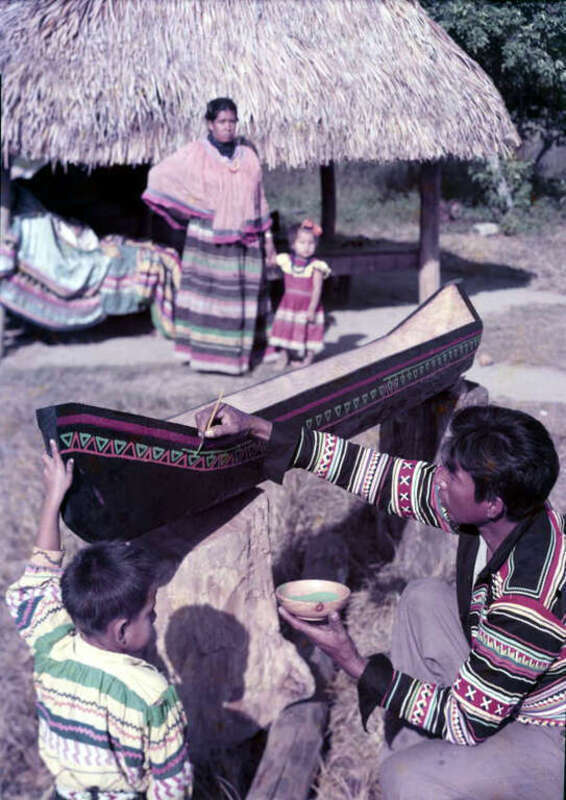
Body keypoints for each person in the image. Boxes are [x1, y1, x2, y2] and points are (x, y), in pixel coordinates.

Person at [195, 402, 566, 800]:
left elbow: (467, 720)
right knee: (423, 599)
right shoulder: (507, 514)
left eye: (452, 473)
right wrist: (259, 428)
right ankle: (416, 754)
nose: (438, 478)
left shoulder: (529, 601)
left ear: (492, 504)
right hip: (507, 689)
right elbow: (384, 478)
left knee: (405, 777)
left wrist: (353, 662)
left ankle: (422, 779)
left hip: (545, 732)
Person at [5, 440, 193, 800]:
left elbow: (38, 579)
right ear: (121, 630)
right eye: (149, 613)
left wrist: (53, 498)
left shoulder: (49, 643)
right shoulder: (152, 694)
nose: (155, 618)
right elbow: (172, 785)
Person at [142, 97, 277, 374]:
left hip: (246, 240)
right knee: (209, 297)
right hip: (207, 238)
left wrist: (268, 239)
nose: (228, 126)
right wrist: (198, 204)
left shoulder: (248, 155)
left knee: (240, 297)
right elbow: (159, 176)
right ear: (210, 124)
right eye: (222, 121)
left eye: (232, 121)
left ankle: (241, 355)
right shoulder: (196, 153)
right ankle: (206, 356)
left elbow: (259, 197)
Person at [268, 219, 331, 369]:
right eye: (302, 242)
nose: (306, 247)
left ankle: (308, 358)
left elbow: (317, 289)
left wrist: (312, 309)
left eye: (311, 243)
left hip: (308, 306)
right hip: (289, 304)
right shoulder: (287, 260)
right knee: (286, 329)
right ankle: (284, 355)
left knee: (310, 332)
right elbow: (271, 260)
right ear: (293, 244)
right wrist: (268, 240)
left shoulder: (316, 266)